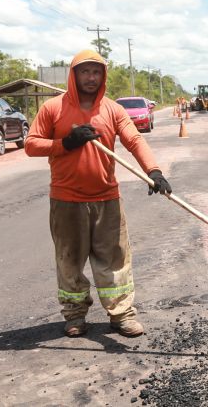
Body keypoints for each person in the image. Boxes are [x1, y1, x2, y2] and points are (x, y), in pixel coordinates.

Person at [25, 49, 172, 338]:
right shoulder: (53, 108)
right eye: (85, 72)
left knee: (115, 260)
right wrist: (65, 143)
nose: (91, 77)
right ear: (74, 74)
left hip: (107, 198)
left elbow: (134, 139)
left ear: (103, 76)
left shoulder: (112, 109)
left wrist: (153, 172)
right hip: (66, 200)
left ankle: (122, 315)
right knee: (69, 261)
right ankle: (74, 316)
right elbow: (31, 144)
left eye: (96, 72)